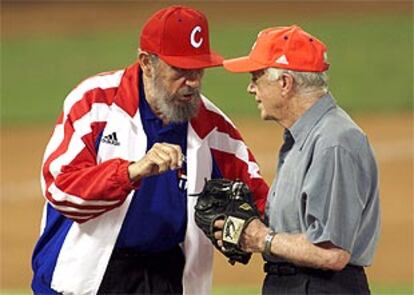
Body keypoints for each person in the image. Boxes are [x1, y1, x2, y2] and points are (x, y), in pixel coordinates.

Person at [31, 6, 268, 294]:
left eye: (198, 69)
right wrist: (130, 172)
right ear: (147, 63)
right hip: (84, 276)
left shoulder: (213, 129)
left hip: (165, 276)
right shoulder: (94, 105)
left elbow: (262, 201)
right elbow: (62, 191)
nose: (192, 82)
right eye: (180, 70)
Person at [216, 25, 381, 294]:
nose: (250, 88)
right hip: (296, 283)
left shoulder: (333, 142)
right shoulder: (302, 137)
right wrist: (245, 229)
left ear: (285, 83)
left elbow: (331, 252)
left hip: (320, 286)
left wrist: (261, 238)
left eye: (256, 77)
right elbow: (297, 227)